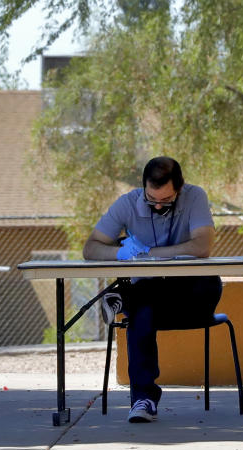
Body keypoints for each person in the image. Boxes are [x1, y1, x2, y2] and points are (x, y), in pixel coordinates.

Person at [83, 156, 222, 423]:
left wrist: (150, 255)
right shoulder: (127, 203)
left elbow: (201, 247)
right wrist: (121, 253)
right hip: (152, 303)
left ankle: (123, 299)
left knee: (145, 295)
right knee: (142, 312)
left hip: (194, 295)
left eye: (166, 200)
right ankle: (143, 400)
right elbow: (91, 248)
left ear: (180, 189)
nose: (157, 205)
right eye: (151, 198)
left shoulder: (195, 197)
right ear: (143, 187)